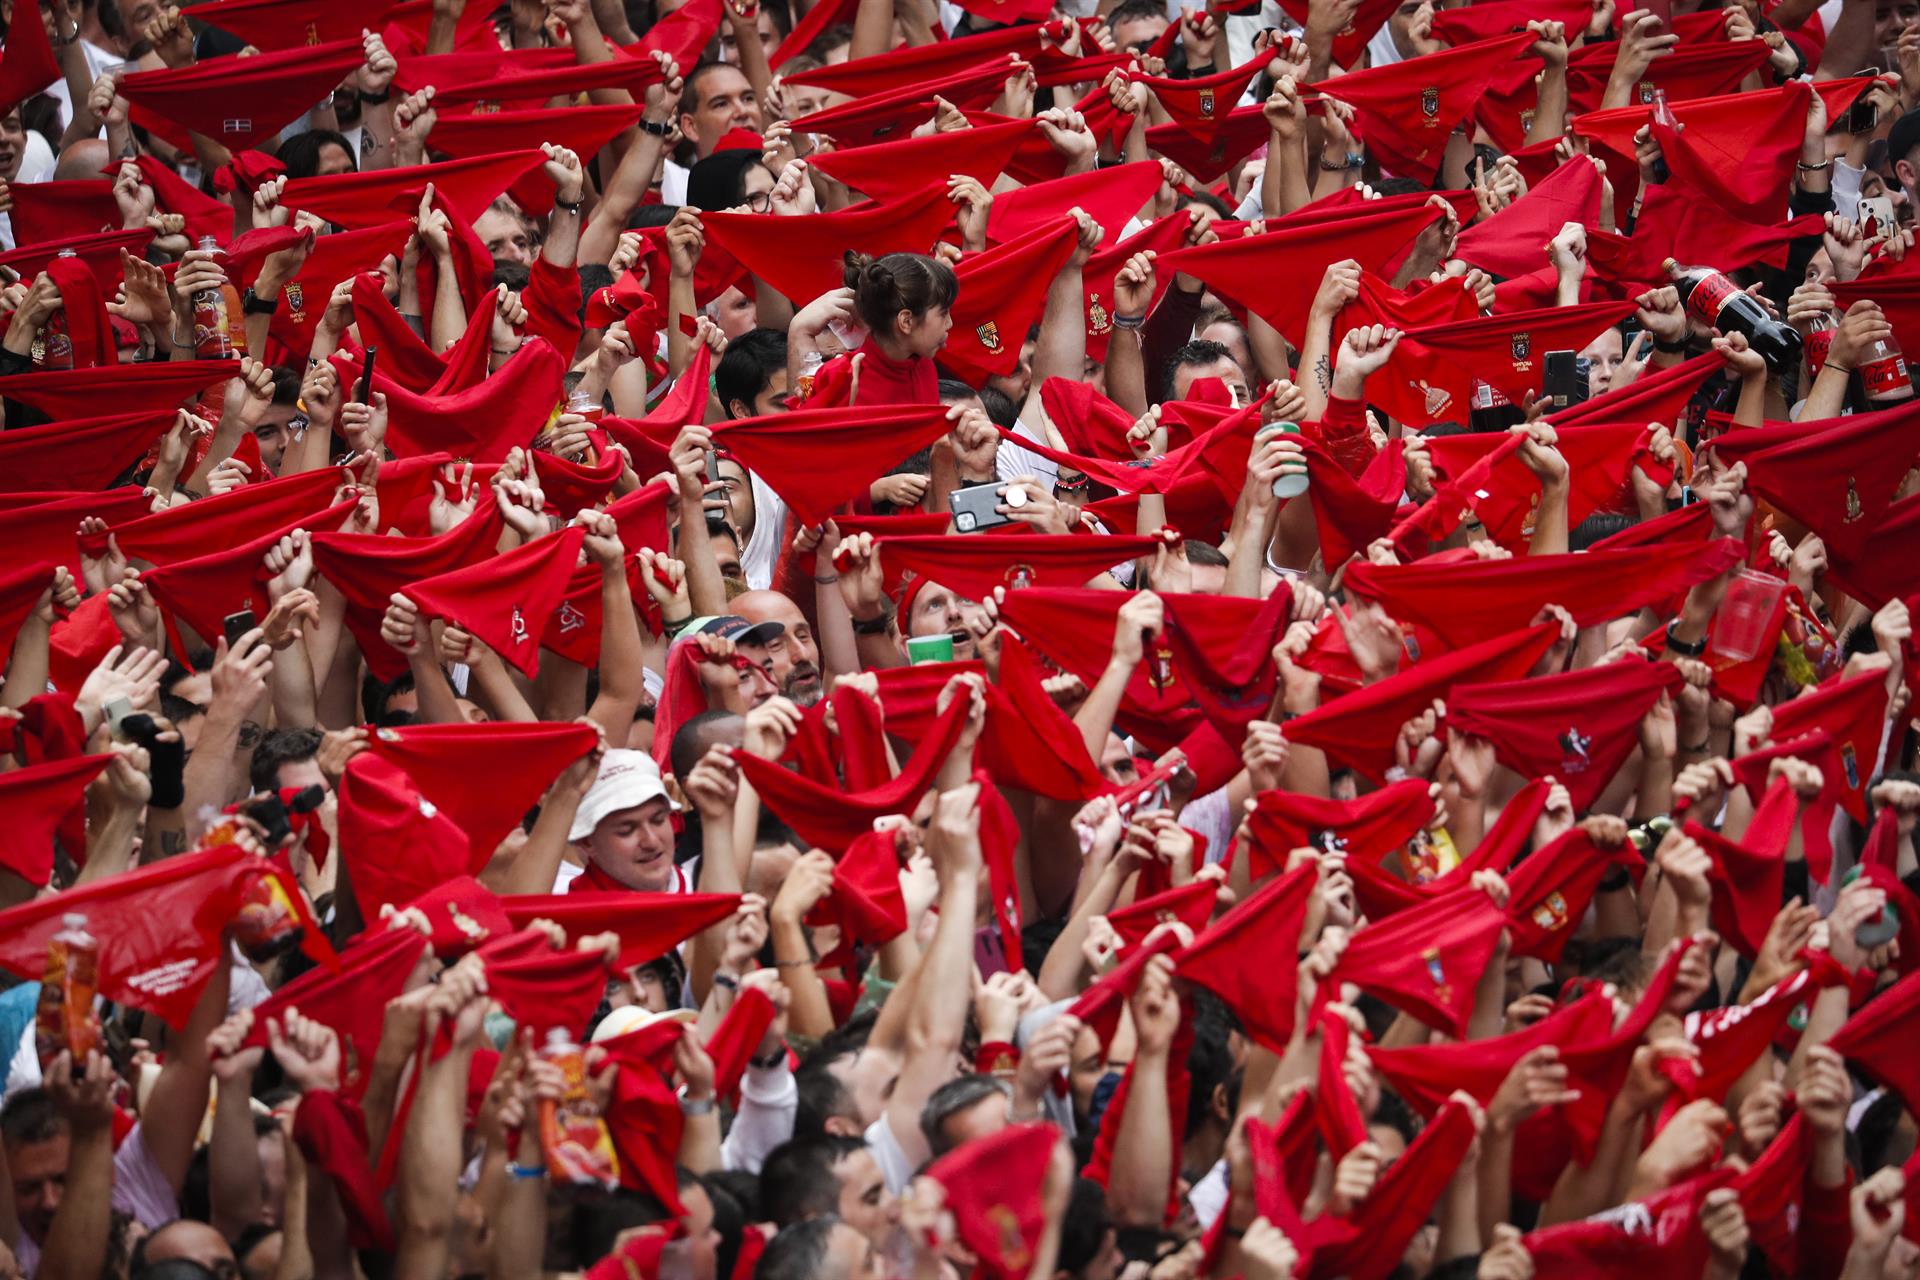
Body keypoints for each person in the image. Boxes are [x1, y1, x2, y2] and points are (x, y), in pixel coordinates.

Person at [5, 8, 1920, 1280]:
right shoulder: (656, 902)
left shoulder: (966, 572)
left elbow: (1030, 763)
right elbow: (435, 1222)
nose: (663, 835)